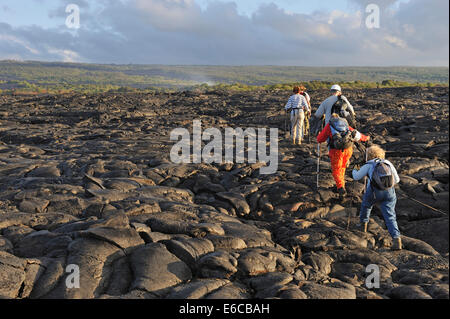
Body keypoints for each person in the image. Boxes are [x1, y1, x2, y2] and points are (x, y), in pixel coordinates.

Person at [352, 145, 402, 250]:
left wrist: (355, 168)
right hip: (389, 193)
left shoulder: (369, 165)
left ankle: (363, 226)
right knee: (390, 216)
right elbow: (397, 180)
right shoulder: (388, 163)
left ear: (368, 155)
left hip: (374, 192)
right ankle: (397, 240)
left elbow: (356, 176)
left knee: (366, 205)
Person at [317, 114, 370, 201]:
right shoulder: (344, 124)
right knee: (342, 167)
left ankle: (341, 188)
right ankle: (342, 183)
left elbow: (320, 139)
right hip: (348, 149)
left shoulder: (330, 125)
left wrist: (319, 137)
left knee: (336, 170)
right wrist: (366, 138)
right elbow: (356, 134)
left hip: (336, 151)